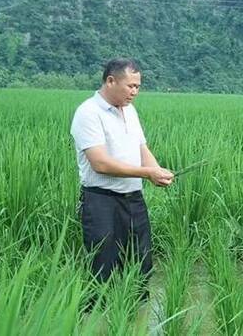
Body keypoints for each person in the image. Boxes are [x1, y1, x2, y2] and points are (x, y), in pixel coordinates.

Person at [70, 58, 174, 296]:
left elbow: (141, 148)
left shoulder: (130, 111)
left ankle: (134, 318)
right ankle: (100, 322)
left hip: (133, 199)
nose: (135, 92)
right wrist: (148, 173)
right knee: (103, 266)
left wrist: (157, 171)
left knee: (141, 261)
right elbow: (100, 163)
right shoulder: (88, 113)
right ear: (110, 81)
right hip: (101, 202)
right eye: (130, 86)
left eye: (138, 86)